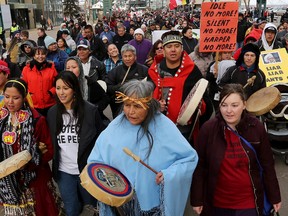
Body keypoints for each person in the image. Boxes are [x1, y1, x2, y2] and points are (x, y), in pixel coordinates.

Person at [87, 79, 198, 216]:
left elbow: (189, 158)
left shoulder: (164, 127)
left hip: (153, 204)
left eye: (137, 106)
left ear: (149, 105)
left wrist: (169, 175)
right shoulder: (115, 127)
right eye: (127, 105)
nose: (131, 112)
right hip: (120, 203)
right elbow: (96, 160)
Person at [191, 83, 281, 216]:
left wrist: (274, 196)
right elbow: (200, 166)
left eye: (234, 105)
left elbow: (267, 164)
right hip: (217, 204)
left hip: (249, 203)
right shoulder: (208, 129)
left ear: (244, 105)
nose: (229, 111)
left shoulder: (255, 127)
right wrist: (197, 199)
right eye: (224, 105)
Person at [0, 78, 62, 215]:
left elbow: (49, 151)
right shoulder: (1, 118)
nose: (10, 102)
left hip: (34, 178)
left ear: (24, 97)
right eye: (7, 97)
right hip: (8, 180)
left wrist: (32, 158)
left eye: (15, 98)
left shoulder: (37, 120)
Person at [47, 71, 104, 216]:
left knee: (93, 206)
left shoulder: (90, 111)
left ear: (75, 89)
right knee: (71, 209)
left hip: (87, 170)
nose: (61, 92)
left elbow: (100, 140)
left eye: (66, 88)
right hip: (64, 171)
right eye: (58, 88)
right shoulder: (53, 113)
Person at [148, 30, 213, 142]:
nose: (173, 50)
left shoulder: (192, 71)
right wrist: (155, 106)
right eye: (169, 46)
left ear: (182, 49)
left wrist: (197, 106)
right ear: (163, 50)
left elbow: (204, 99)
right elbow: (145, 99)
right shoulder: (154, 71)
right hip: (159, 128)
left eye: (177, 46)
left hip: (185, 131)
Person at [106, 44, 148, 118]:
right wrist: (121, 86)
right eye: (125, 56)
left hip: (139, 105)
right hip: (119, 106)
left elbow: (149, 87)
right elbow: (109, 88)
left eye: (130, 56)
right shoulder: (115, 71)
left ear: (135, 57)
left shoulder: (144, 70)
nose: (127, 59)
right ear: (122, 57)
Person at [65, 56, 110, 124]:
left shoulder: (89, 82)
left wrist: (94, 109)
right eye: (68, 68)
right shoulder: (64, 84)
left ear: (80, 68)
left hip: (91, 119)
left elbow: (105, 99)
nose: (70, 70)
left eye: (74, 67)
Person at [21, 46, 57, 116]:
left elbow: (57, 84)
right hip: (33, 105)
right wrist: (29, 95)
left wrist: (51, 92)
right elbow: (23, 85)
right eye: (38, 54)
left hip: (50, 104)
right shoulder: (27, 69)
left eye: (42, 54)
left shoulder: (51, 67)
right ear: (34, 55)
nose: (40, 56)